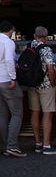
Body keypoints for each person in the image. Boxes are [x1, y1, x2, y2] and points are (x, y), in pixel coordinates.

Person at [0, 19, 26, 157]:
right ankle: (12, 146)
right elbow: (10, 60)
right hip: (6, 80)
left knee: (2, 113)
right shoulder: (8, 43)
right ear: (11, 30)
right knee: (17, 113)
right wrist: (13, 78)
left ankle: (5, 145)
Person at [26, 26, 56, 155]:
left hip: (32, 85)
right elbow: (50, 69)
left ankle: (38, 143)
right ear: (47, 37)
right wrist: (53, 83)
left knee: (35, 112)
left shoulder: (29, 46)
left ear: (34, 35)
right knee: (47, 113)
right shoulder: (46, 49)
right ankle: (47, 145)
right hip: (45, 85)